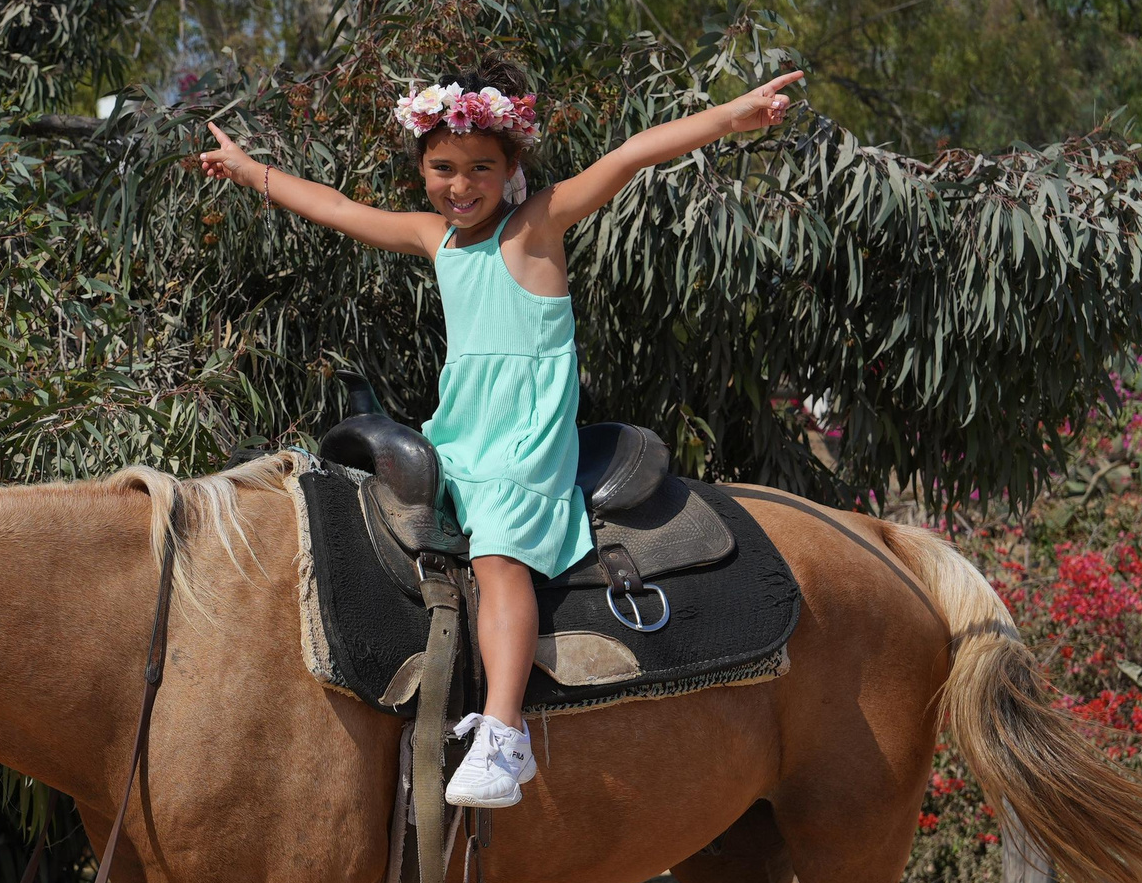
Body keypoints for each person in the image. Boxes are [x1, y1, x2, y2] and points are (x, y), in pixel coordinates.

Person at [196, 60, 803, 806]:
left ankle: (505, 734)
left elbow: (630, 155)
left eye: (480, 167)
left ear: (511, 167)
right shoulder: (437, 239)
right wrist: (248, 170)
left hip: (524, 444)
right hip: (459, 435)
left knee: (498, 556)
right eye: (443, 169)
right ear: (422, 169)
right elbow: (337, 207)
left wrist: (732, 117)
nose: (460, 185)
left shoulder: (534, 227)